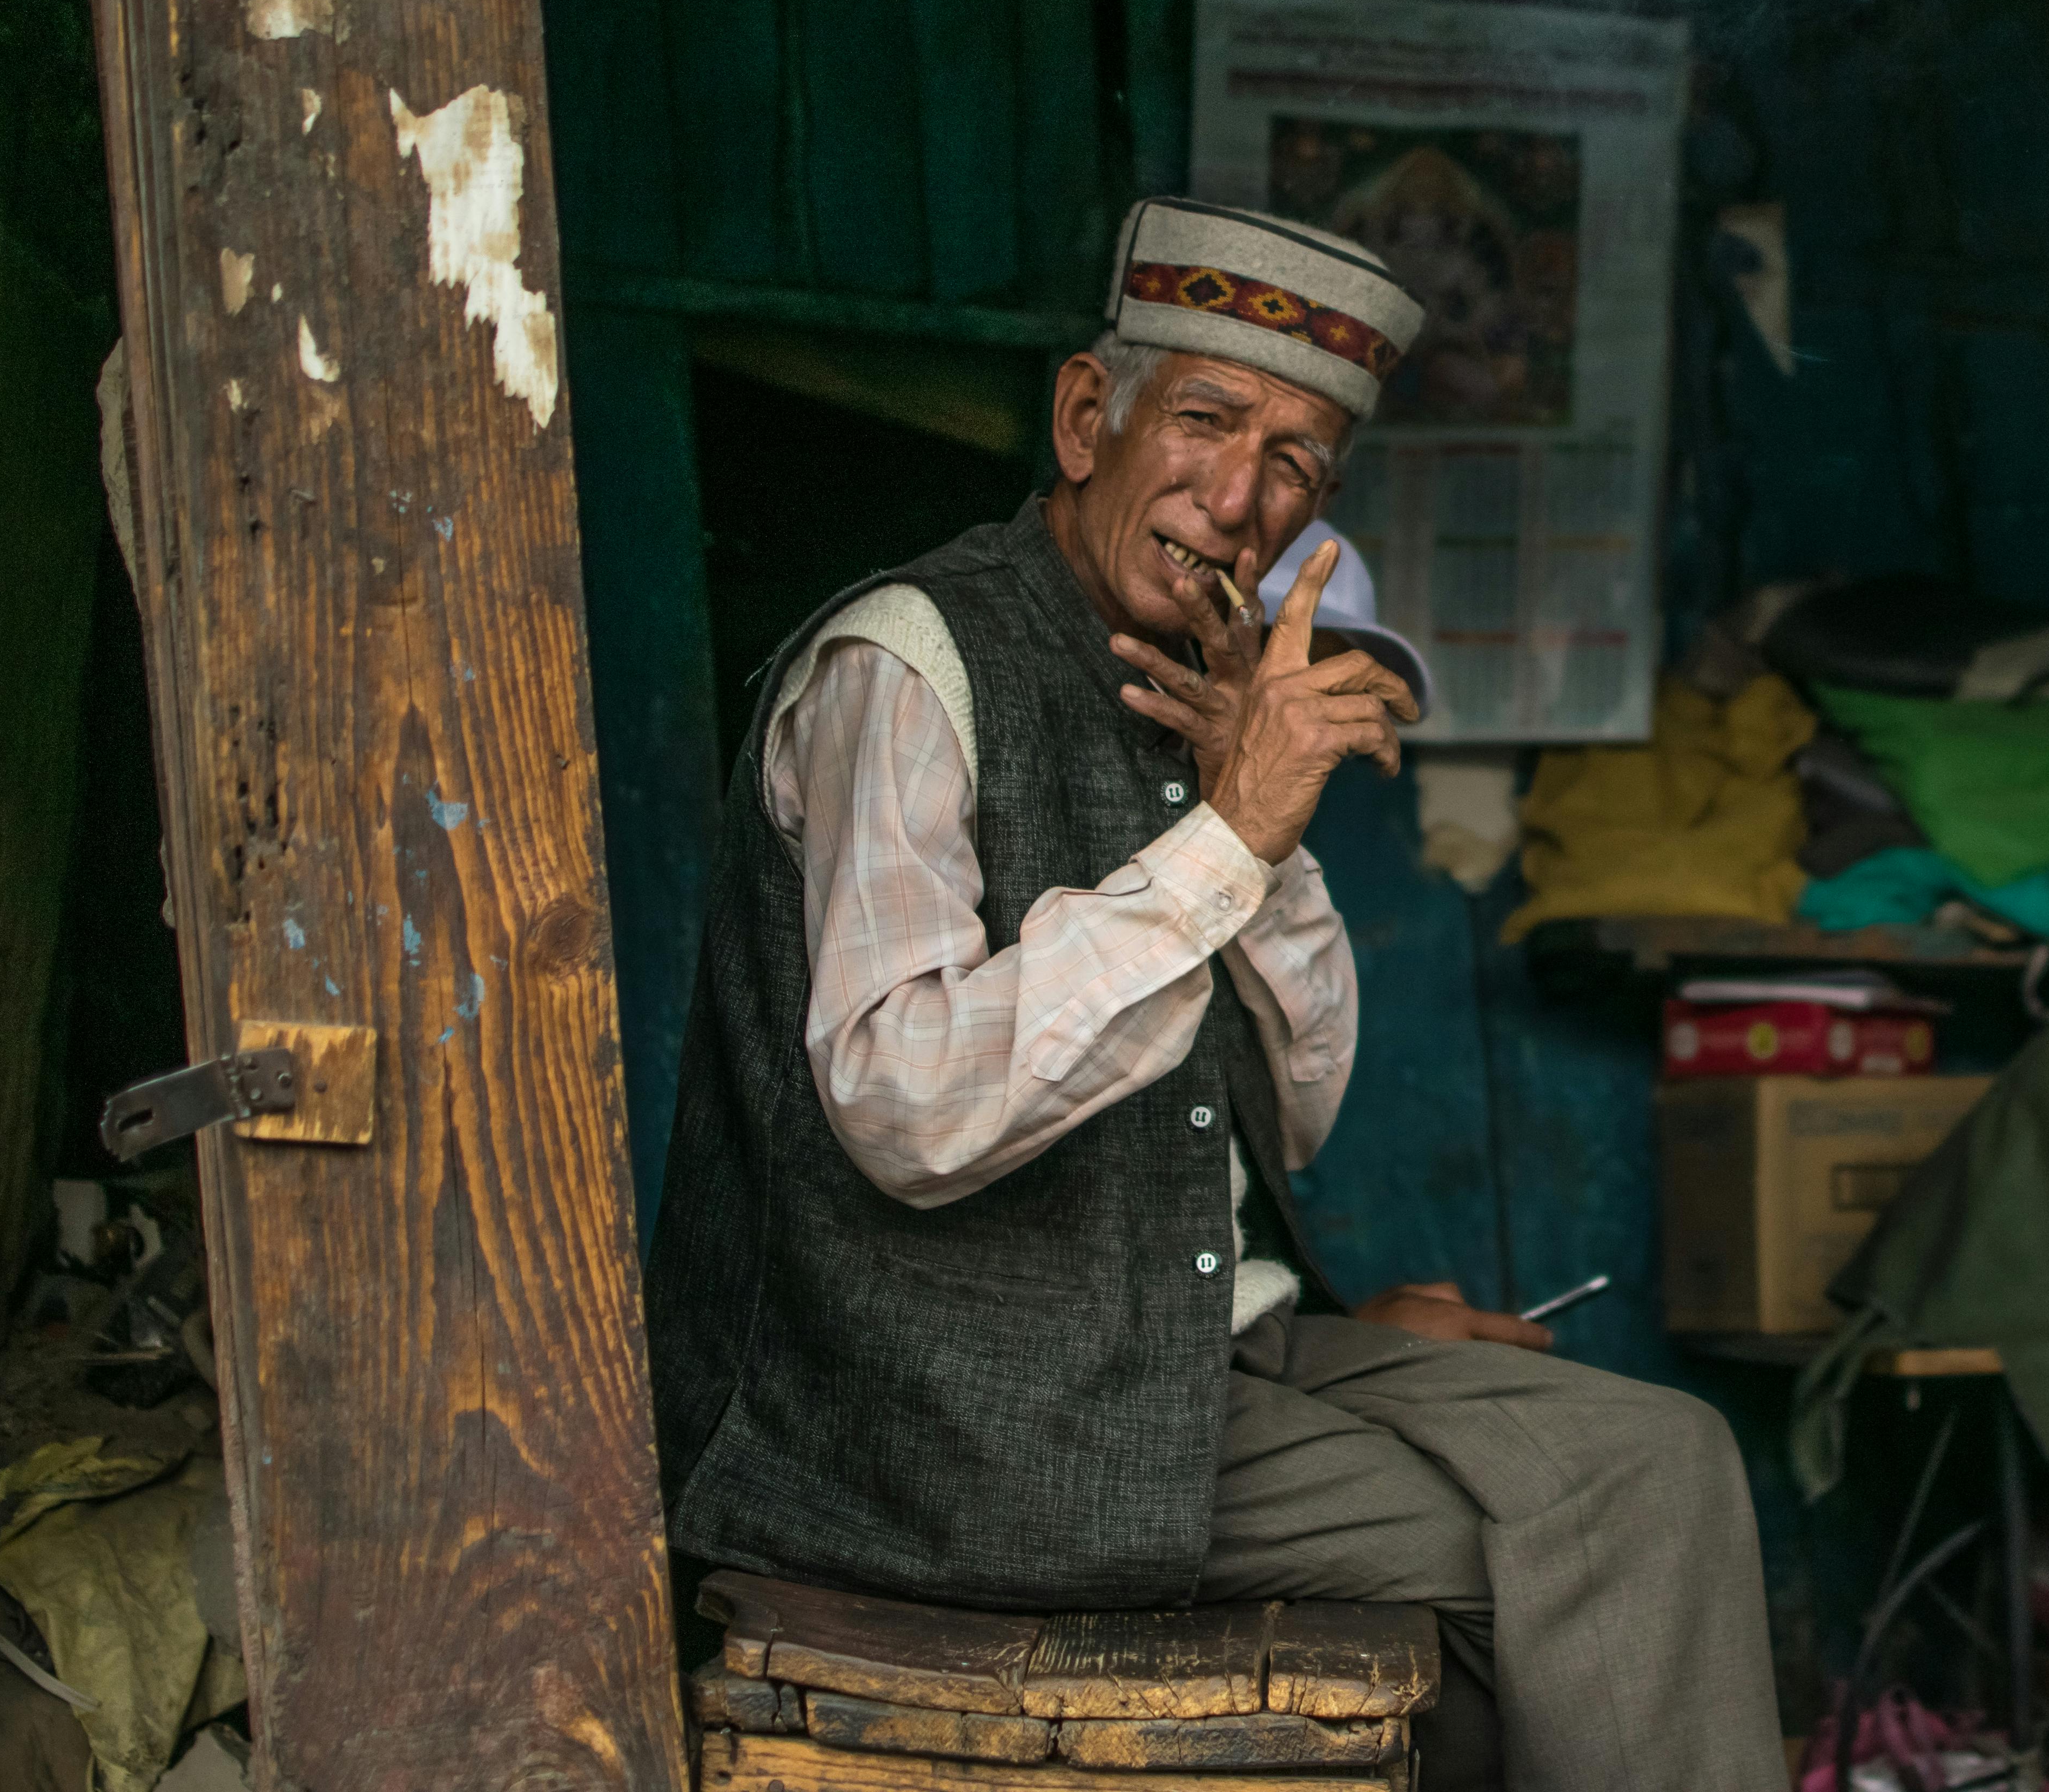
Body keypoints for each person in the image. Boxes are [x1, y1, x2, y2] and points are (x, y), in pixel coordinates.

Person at [643, 198, 1784, 1790]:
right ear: (1086, 419)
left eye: (1299, 464)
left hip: (1200, 1350)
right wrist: (1227, 831)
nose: (1242, 499)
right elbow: (900, 1107)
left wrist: (1266, 832)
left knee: (1663, 1453)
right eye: (1205, 422)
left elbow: (1294, 1119)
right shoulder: (908, 665)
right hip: (952, 1427)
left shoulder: (1196, 692)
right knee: (1602, 1541)